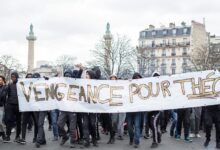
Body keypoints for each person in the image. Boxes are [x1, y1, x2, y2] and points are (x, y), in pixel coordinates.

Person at [57, 67, 82, 148]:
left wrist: (81, 70)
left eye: (68, 75)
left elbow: (78, 77)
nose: (67, 77)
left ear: (71, 76)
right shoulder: (61, 83)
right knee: (59, 124)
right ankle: (65, 137)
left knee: (72, 127)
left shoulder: (74, 83)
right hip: (64, 108)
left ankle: (72, 141)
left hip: (72, 109)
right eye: (66, 75)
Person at [20, 73, 39, 144]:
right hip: (26, 106)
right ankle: (23, 138)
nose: (29, 78)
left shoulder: (37, 86)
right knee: (24, 122)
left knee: (36, 123)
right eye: (28, 77)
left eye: (31, 77)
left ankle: (35, 137)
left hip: (34, 107)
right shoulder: (23, 86)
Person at [81, 70, 98, 148]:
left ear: (91, 75)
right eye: (86, 74)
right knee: (85, 125)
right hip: (84, 108)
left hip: (93, 109)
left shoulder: (96, 84)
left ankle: (94, 139)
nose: (86, 75)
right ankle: (86, 140)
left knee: (92, 124)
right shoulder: (82, 83)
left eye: (87, 74)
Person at [4, 71, 21, 143]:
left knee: (18, 121)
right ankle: (8, 136)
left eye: (14, 77)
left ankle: (17, 136)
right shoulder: (9, 85)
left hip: (18, 105)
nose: (12, 78)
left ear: (17, 77)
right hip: (10, 105)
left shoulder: (20, 85)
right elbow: (5, 94)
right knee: (8, 121)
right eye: (12, 77)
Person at [127, 72, 142, 148]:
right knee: (129, 126)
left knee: (137, 126)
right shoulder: (129, 86)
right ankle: (131, 138)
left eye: (139, 78)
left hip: (137, 110)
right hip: (129, 110)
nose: (137, 79)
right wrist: (127, 83)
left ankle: (136, 142)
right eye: (136, 78)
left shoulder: (143, 87)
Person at [147, 72, 162, 148]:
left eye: (158, 77)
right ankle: (158, 133)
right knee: (150, 125)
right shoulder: (149, 86)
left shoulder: (161, 86)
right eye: (155, 77)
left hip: (157, 110)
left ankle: (155, 141)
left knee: (153, 123)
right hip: (149, 110)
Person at [0, 75, 7, 141]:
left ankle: (3, 133)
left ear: (3, 81)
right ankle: (2, 133)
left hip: (1, 106)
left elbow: (3, 96)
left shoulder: (5, 88)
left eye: (0, 80)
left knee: (0, 122)